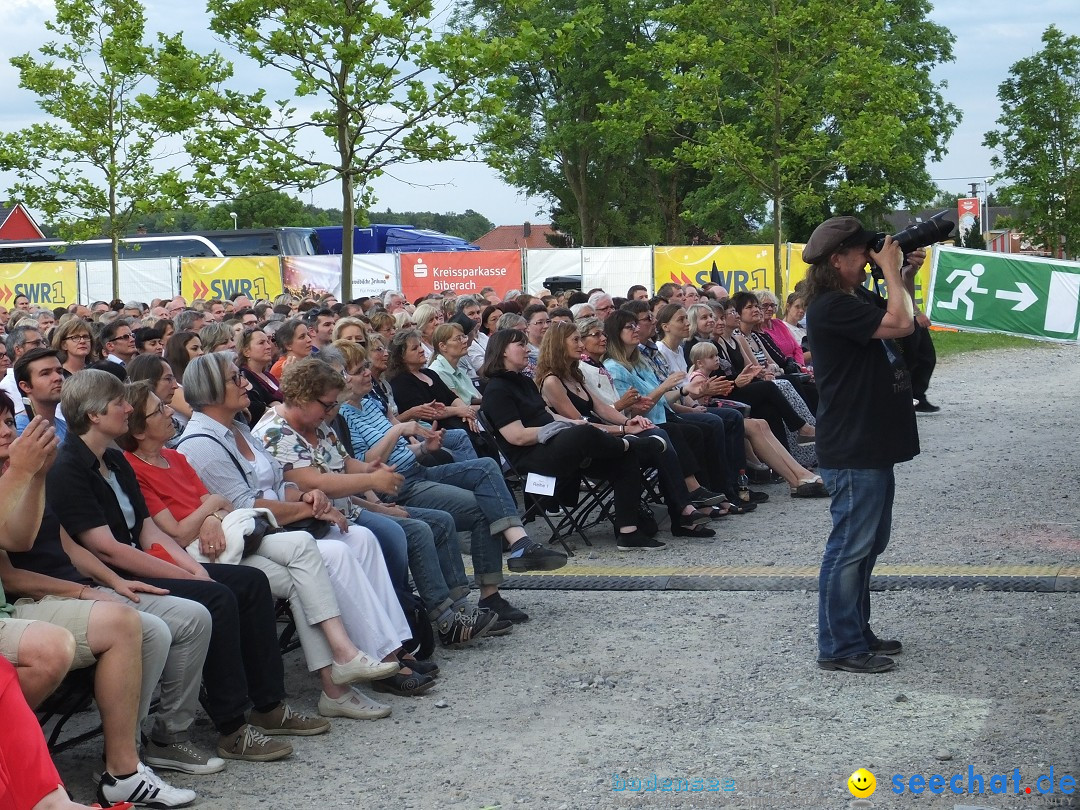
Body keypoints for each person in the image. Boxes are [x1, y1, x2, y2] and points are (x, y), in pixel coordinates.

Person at [46, 370, 326, 761]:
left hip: (141, 560)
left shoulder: (112, 458)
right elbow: (105, 549)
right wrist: (186, 573)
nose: (128, 408)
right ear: (94, 415)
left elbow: (148, 532)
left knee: (250, 583)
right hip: (113, 574)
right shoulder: (68, 468)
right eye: (119, 403)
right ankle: (232, 726)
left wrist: (192, 569)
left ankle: (268, 705)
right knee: (217, 596)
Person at [120, 381, 405, 720]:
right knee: (305, 556)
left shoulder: (175, 457)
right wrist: (210, 509)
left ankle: (338, 679)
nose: (171, 411)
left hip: (226, 539)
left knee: (304, 564)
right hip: (195, 553)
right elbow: (178, 532)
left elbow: (220, 508)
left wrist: (211, 513)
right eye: (159, 410)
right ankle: (339, 671)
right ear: (138, 429)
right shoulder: (134, 468)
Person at [174, 354, 431, 698]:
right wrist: (305, 505)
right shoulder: (203, 444)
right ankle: (382, 658)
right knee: (338, 552)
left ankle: (394, 647)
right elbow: (246, 507)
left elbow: (281, 481)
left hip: (280, 525)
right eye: (236, 379)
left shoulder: (238, 429)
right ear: (210, 390)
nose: (247, 383)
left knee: (361, 537)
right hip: (254, 537)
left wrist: (310, 500)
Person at [0, 404, 195, 808]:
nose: (8, 429)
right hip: (25, 599)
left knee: (126, 620)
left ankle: (123, 770)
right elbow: (14, 573)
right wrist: (22, 471)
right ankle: (17, 758)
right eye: (0, 423)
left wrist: (35, 476)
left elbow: (17, 541)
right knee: (53, 648)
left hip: (16, 607)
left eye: (7, 420)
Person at [252, 357, 503, 649]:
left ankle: (452, 610)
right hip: (314, 522)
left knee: (434, 523)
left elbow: (345, 464)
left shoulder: (315, 421)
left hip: (346, 510)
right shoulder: (276, 433)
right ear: (303, 397)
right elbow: (314, 482)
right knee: (408, 531)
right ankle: (419, 619)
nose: (331, 412)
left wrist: (374, 472)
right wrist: (373, 483)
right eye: (327, 405)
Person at [341, 347, 557, 622]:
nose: (368, 373)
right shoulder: (344, 416)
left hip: (414, 470)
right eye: (360, 370)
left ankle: (516, 549)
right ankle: (473, 601)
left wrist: (425, 448)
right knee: (481, 508)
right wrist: (397, 430)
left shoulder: (370, 403)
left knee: (486, 468)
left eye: (365, 367)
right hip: (395, 485)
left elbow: (403, 453)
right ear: (344, 378)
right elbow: (366, 465)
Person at [802, 216, 919, 674]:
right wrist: (890, 270)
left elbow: (904, 311)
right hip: (853, 444)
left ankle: (857, 630)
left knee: (870, 543)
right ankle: (838, 645)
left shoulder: (851, 297)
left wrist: (902, 274)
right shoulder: (832, 305)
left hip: (869, 440)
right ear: (838, 259)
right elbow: (901, 324)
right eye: (862, 251)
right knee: (850, 546)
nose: (871, 255)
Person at [481, 329, 660, 552]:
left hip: (555, 446)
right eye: (520, 345)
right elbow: (516, 436)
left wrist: (570, 423)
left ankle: (628, 533)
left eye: (527, 344)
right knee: (584, 433)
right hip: (532, 455)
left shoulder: (524, 383)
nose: (527, 349)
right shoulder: (497, 389)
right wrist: (560, 429)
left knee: (616, 451)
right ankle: (629, 442)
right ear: (503, 352)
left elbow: (549, 415)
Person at [535, 323, 714, 538]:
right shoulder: (552, 381)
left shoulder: (574, 376)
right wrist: (622, 428)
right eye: (575, 340)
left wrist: (630, 422)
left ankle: (684, 511)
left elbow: (600, 408)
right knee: (658, 440)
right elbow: (579, 423)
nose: (581, 344)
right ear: (558, 345)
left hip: (603, 435)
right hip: (586, 447)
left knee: (658, 435)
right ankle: (683, 511)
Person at [898, 249, 939, 412]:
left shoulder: (912, 264)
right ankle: (908, 397)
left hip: (913, 315)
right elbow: (900, 290)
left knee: (926, 357)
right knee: (911, 358)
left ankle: (917, 397)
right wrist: (917, 313)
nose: (922, 252)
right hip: (908, 316)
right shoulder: (899, 262)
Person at [237, 327, 283, 427]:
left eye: (268, 341)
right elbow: (253, 407)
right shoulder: (243, 376)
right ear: (246, 351)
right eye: (261, 343)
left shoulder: (268, 376)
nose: (268, 346)